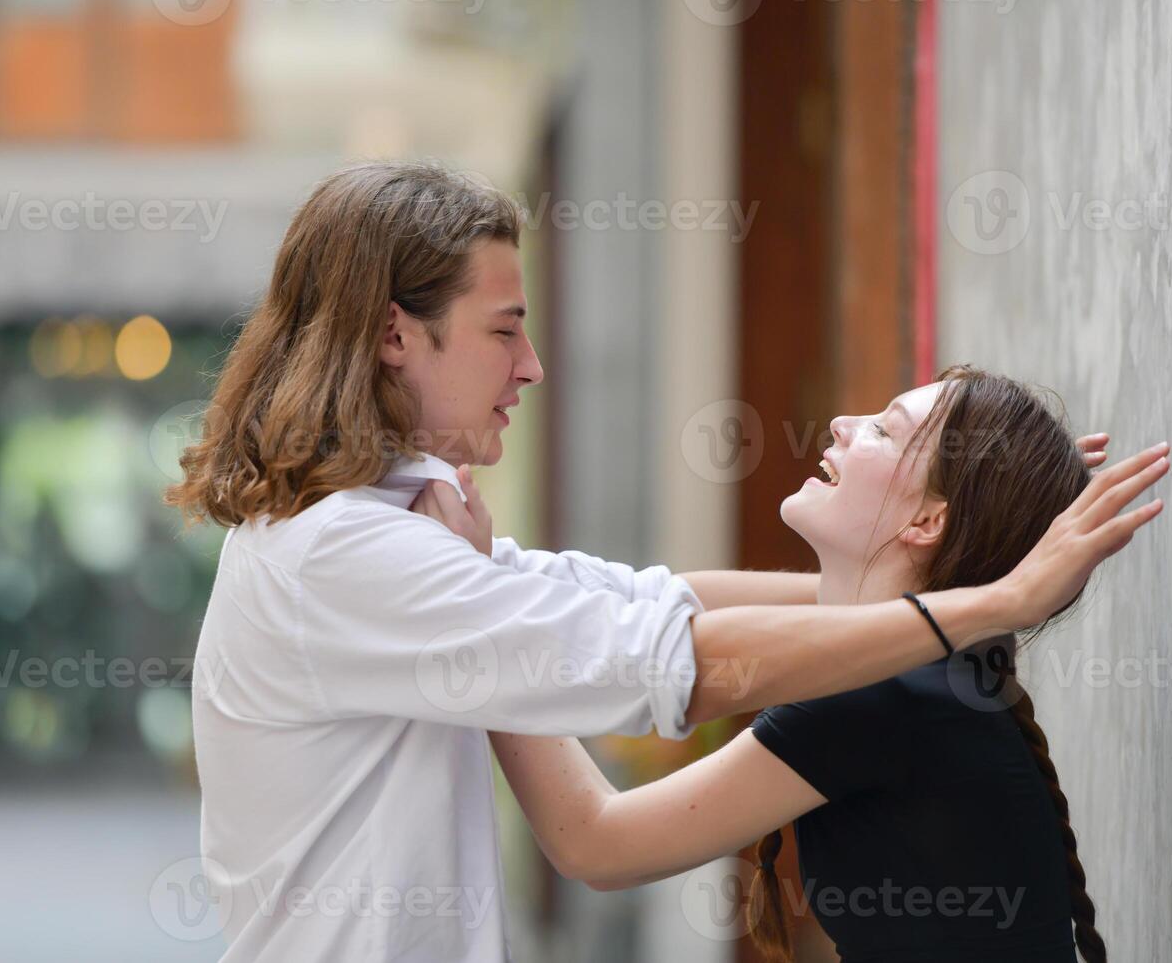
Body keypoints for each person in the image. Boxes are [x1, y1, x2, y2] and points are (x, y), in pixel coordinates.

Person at [167, 161, 1168, 962]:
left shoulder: (379, 534)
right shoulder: (355, 550)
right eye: (505, 329)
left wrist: (984, 585)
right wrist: (987, 590)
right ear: (396, 334)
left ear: (926, 521)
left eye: (886, 428)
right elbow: (661, 654)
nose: (532, 366)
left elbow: (655, 614)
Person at [425, 368, 1126, 961]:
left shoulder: (884, 695)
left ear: (927, 523)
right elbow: (677, 601)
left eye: (883, 430)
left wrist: (479, 618)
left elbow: (597, 844)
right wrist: (489, 586)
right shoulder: (922, 668)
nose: (844, 423)